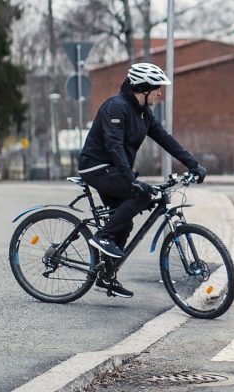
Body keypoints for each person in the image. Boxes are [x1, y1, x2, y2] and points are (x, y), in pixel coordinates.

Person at [77, 62, 206, 297]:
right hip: (96, 167)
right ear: (143, 88)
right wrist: (131, 181)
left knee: (125, 221)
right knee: (142, 193)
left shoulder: (143, 113)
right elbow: (114, 147)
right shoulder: (115, 108)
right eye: (156, 88)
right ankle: (103, 236)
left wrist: (193, 164)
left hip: (116, 170)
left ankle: (107, 275)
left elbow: (165, 139)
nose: (159, 93)